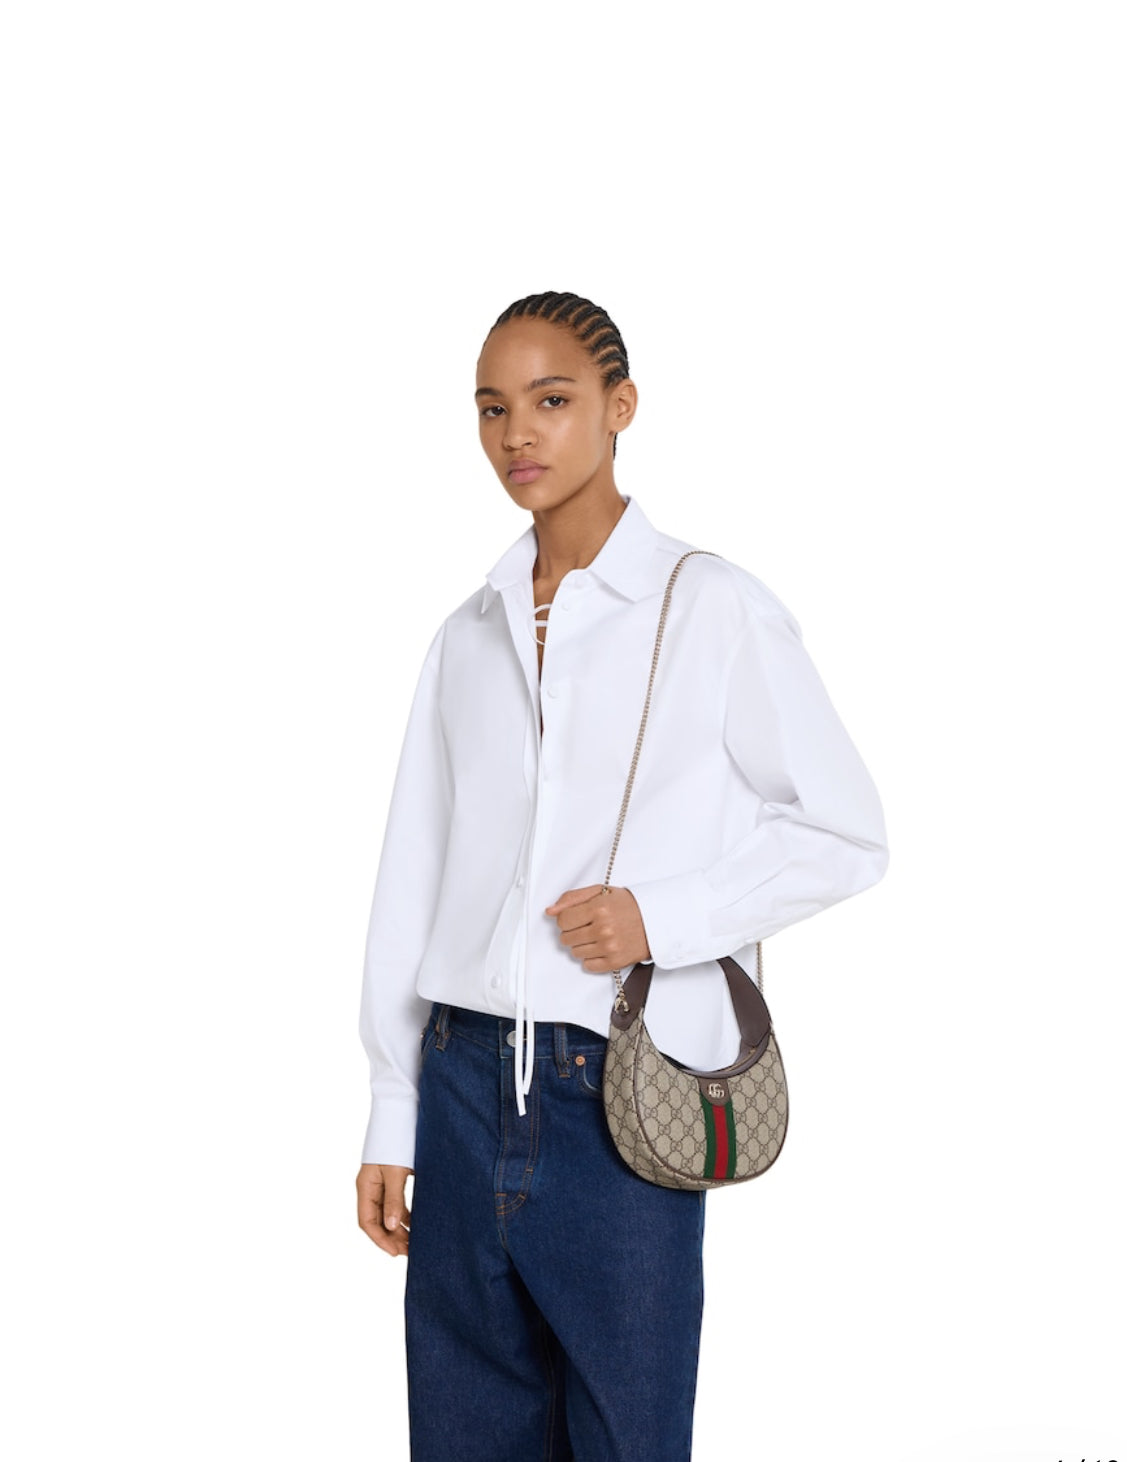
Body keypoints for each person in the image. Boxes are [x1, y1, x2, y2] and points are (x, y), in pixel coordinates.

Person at [355, 291, 889, 1461]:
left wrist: (660, 915)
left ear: (620, 406)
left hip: (620, 1094)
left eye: (551, 400)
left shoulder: (713, 606)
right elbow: (414, 872)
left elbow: (846, 831)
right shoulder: (467, 633)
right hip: (459, 1078)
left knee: (627, 1439)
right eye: (492, 408)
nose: (517, 435)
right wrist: (394, 1108)